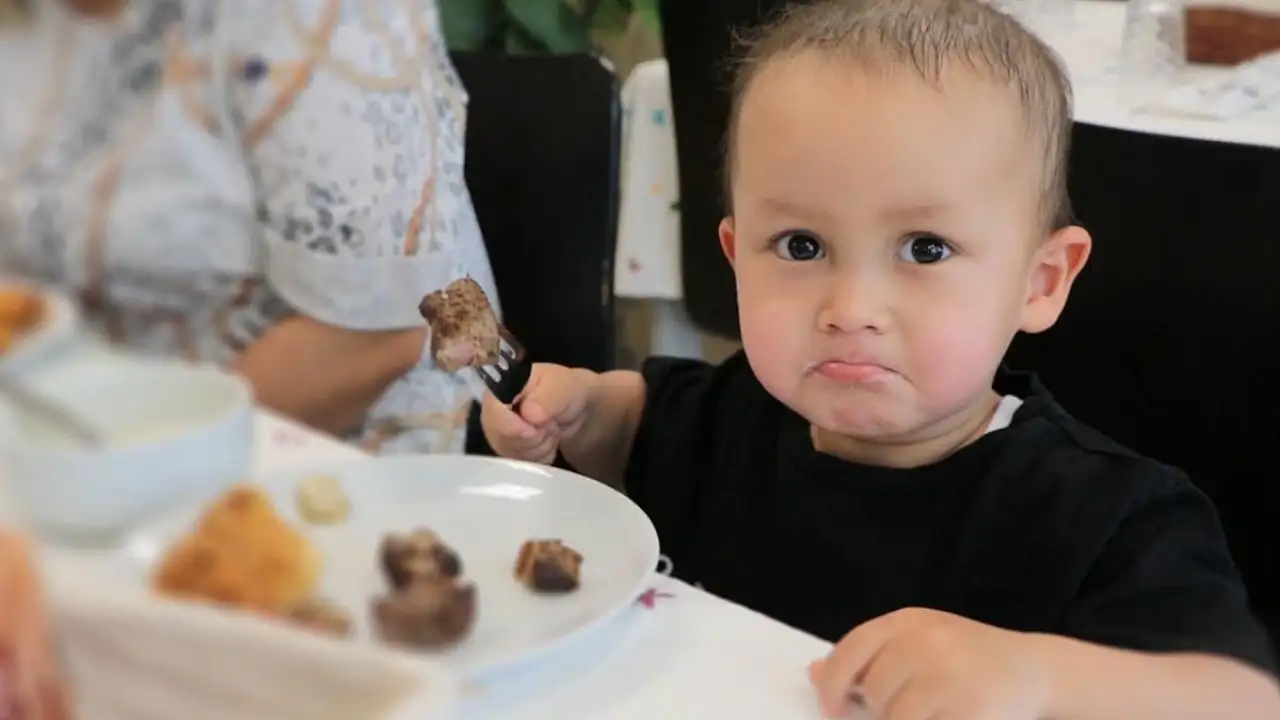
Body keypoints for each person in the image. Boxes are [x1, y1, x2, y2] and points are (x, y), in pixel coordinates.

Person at [481, 0, 1280, 717]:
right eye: (801, 245)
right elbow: (635, 425)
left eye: (925, 248)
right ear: (735, 258)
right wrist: (577, 410)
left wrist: (1036, 677)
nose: (851, 309)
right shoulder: (732, 417)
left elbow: (1242, 698)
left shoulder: (1107, 516)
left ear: (1039, 282)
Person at [0, 0, 498, 454]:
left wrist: (120, 461)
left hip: (308, 461)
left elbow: (372, 339)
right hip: (57, 419)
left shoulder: (325, 17)